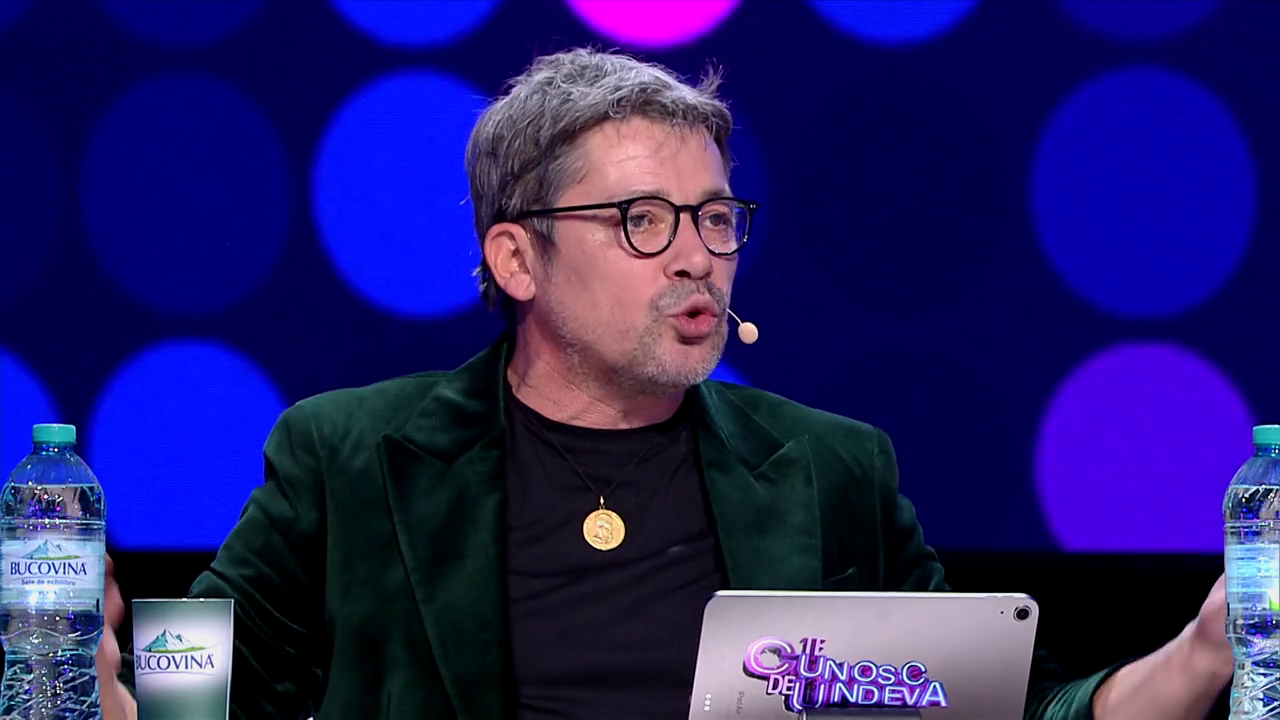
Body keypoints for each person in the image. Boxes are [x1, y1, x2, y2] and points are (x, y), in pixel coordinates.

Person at [94, 47, 1233, 719]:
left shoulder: (830, 468)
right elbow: (194, 693)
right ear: (516, 259)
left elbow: (998, 712)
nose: (698, 256)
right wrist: (88, 670)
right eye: (643, 219)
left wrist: (1199, 656)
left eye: (716, 217)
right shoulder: (346, 457)